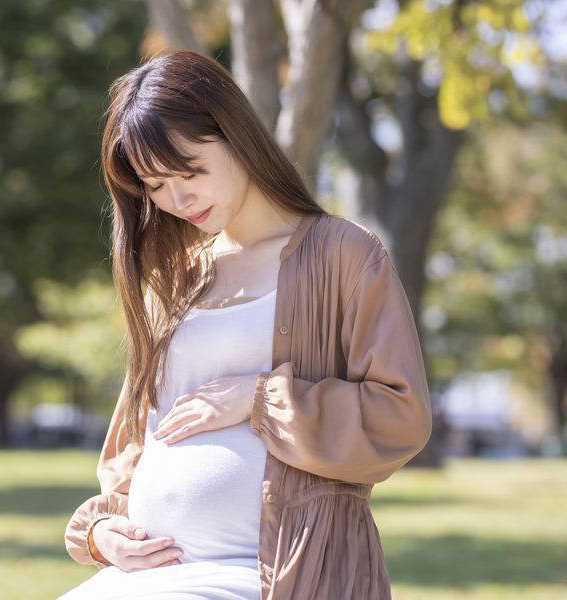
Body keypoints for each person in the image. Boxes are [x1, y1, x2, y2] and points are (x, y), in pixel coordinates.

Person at [57, 50, 432, 600]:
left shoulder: (343, 255)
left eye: (191, 171)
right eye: (155, 186)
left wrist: (260, 398)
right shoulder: (178, 276)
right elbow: (137, 432)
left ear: (235, 135)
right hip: (151, 573)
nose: (176, 200)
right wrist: (104, 530)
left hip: (271, 571)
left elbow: (401, 416)